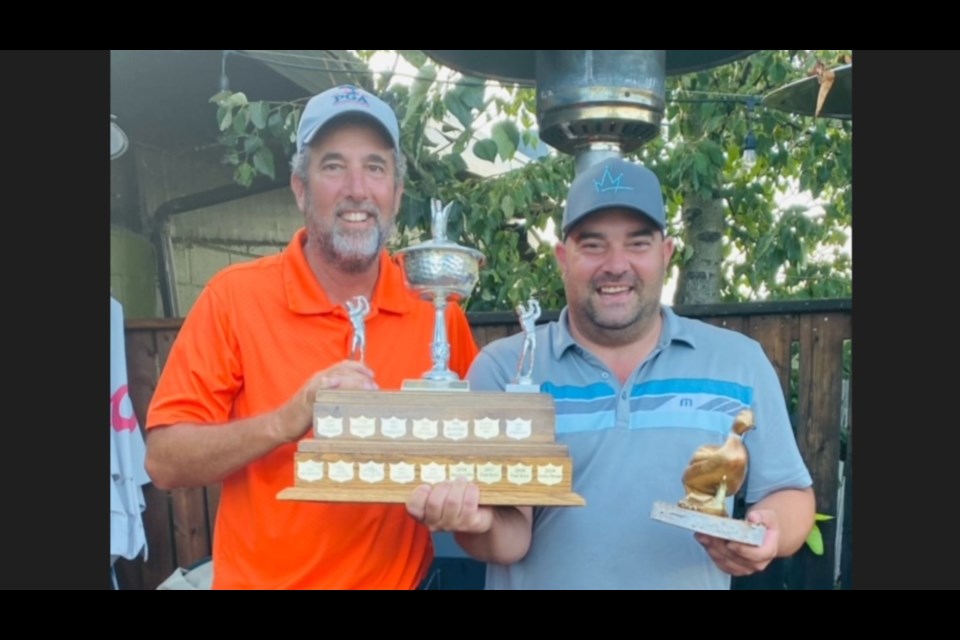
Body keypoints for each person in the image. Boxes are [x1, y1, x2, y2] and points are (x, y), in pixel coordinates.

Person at [406, 157, 815, 589]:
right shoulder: (507, 368)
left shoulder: (738, 361)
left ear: (666, 253)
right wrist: (472, 520)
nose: (616, 265)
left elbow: (791, 492)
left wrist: (769, 532)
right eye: (594, 245)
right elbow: (509, 539)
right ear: (563, 258)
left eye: (638, 243)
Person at [145, 84, 479, 590]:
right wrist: (287, 420)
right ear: (300, 188)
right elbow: (165, 461)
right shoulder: (234, 297)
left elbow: (479, 451)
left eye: (375, 167)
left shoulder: (435, 308)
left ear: (397, 192)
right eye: (332, 166)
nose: (357, 189)